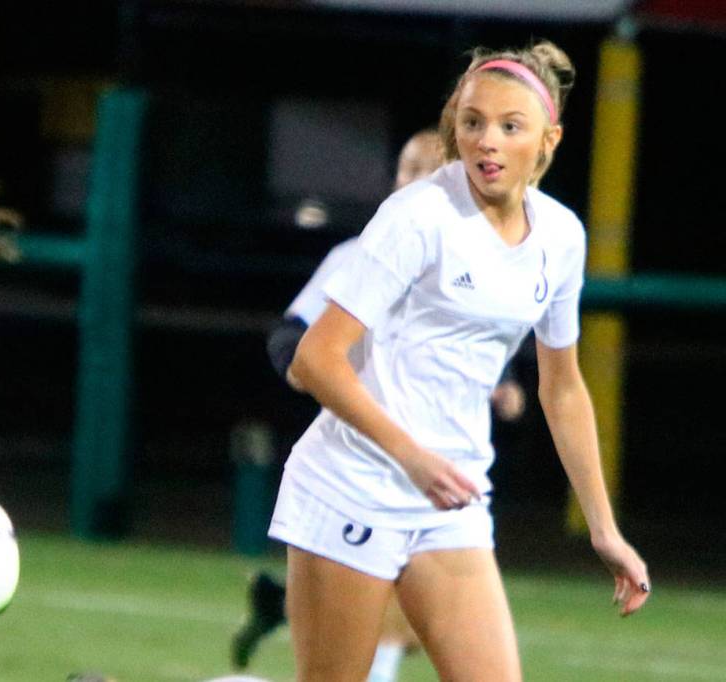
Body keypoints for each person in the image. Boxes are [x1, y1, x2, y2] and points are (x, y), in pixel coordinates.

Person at [267, 41, 650, 682]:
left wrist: (603, 529)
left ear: (548, 139)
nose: (486, 141)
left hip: (452, 500)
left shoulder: (561, 237)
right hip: (352, 487)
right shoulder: (418, 216)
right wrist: (412, 456)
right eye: (472, 122)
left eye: (510, 126)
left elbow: (562, 389)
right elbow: (314, 359)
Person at [234, 129, 526, 681]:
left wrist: (503, 383)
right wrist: (310, 369)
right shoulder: (360, 253)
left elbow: (471, 344)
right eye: (406, 169)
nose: (415, 181)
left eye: (429, 170)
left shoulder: (484, 257)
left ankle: (281, 606)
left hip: (444, 479)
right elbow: (292, 337)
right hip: (361, 467)